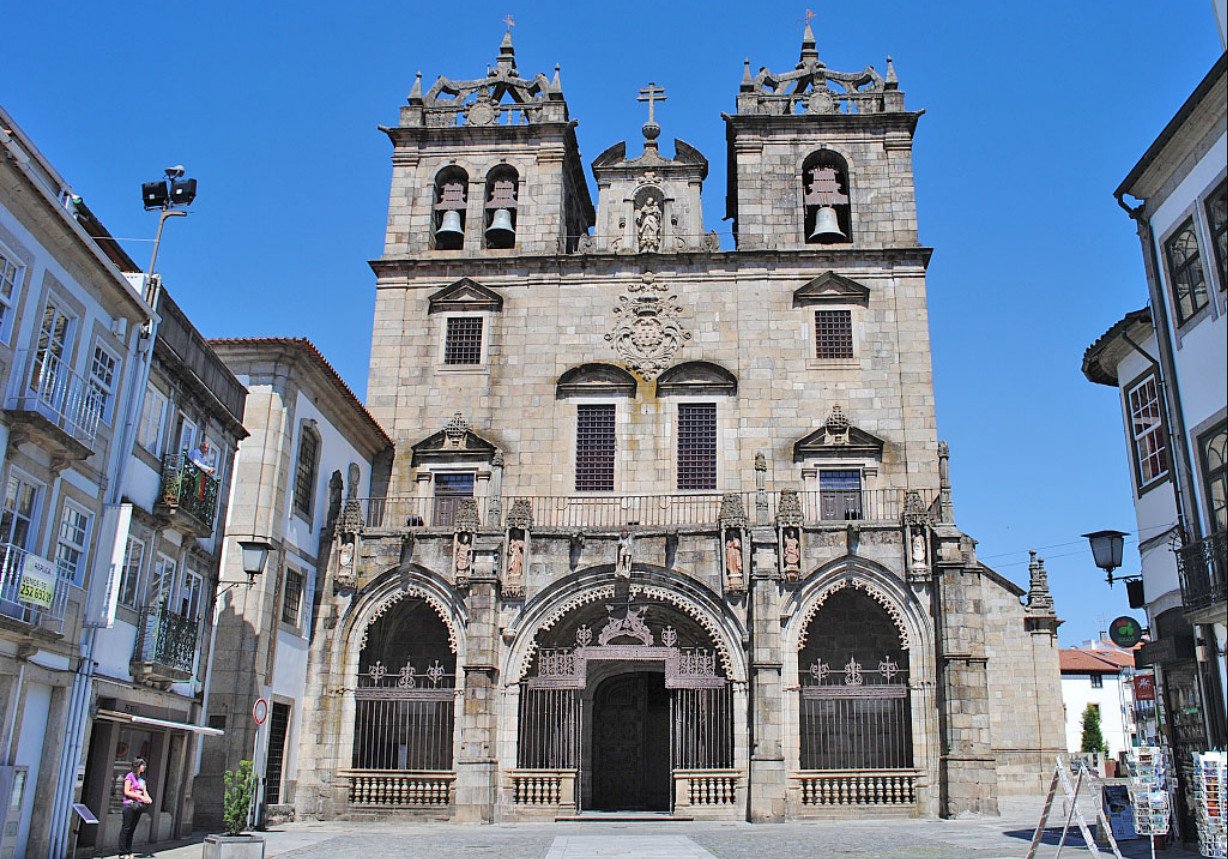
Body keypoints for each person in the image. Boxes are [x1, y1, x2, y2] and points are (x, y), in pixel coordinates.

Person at [118, 757, 152, 859]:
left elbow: (144, 790)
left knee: (132, 828)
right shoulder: (130, 776)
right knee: (126, 828)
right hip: (129, 805)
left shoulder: (142, 778)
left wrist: (147, 798)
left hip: (138, 806)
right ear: (137, 766)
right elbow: (126, 791)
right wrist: (139, 796)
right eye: (143, 765)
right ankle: (122, 852)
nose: (144, 767)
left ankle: (129, 850)